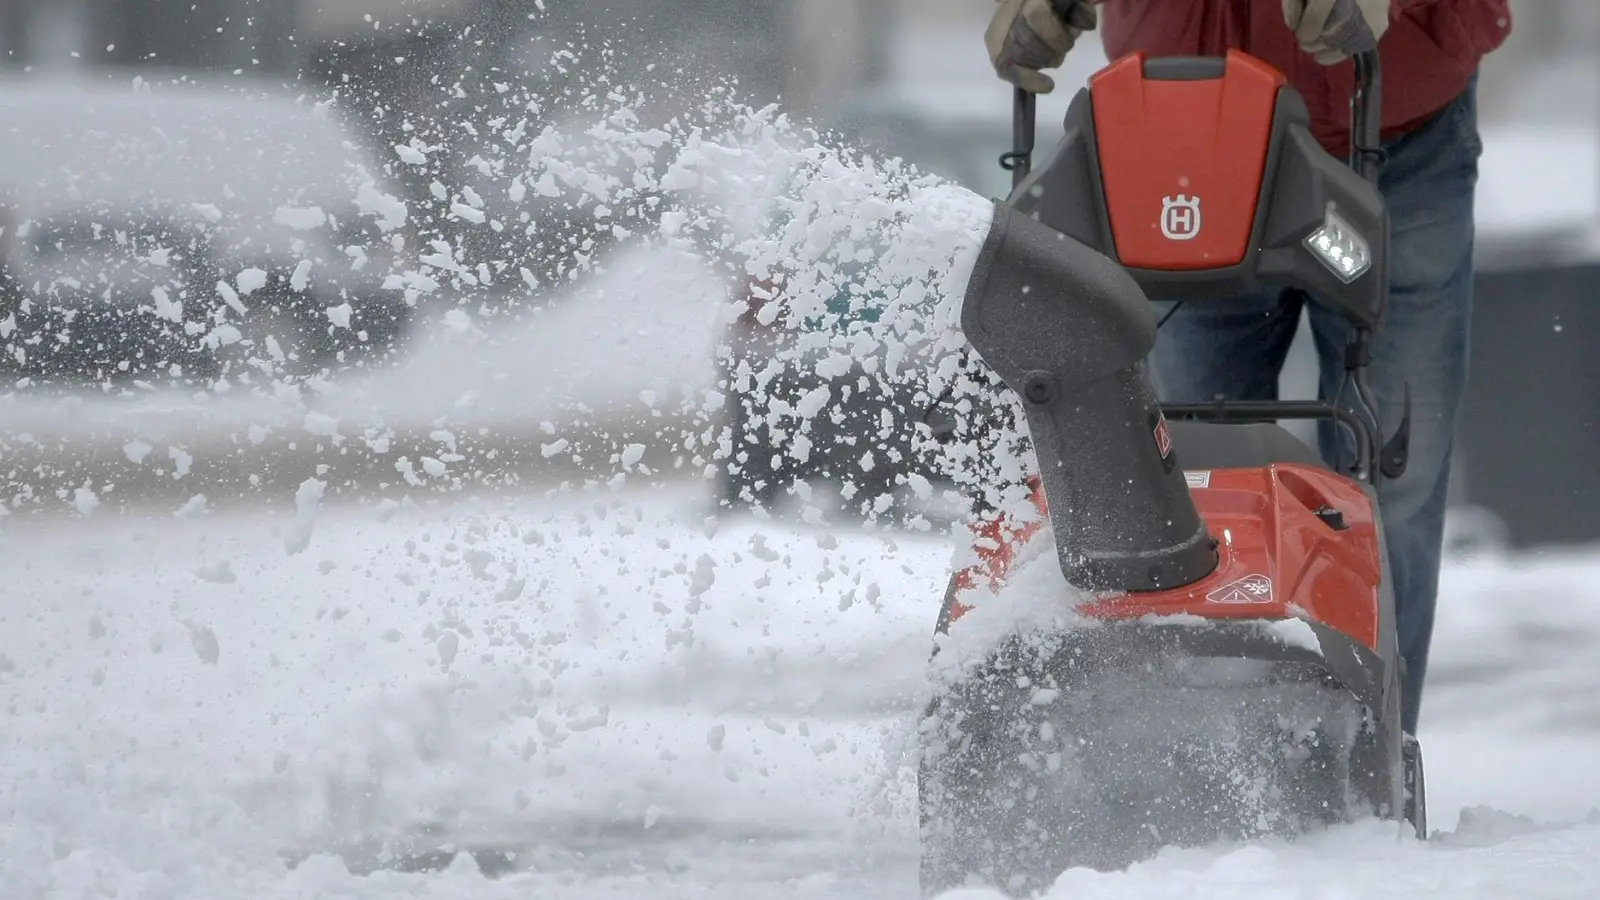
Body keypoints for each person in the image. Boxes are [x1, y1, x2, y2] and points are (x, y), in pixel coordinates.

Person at [983, 0, 1512, 737]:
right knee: (1185, 474)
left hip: (1396, 132)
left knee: (1395, 474)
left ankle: (1373, 752)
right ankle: (1199, 753)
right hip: (1188, 131)